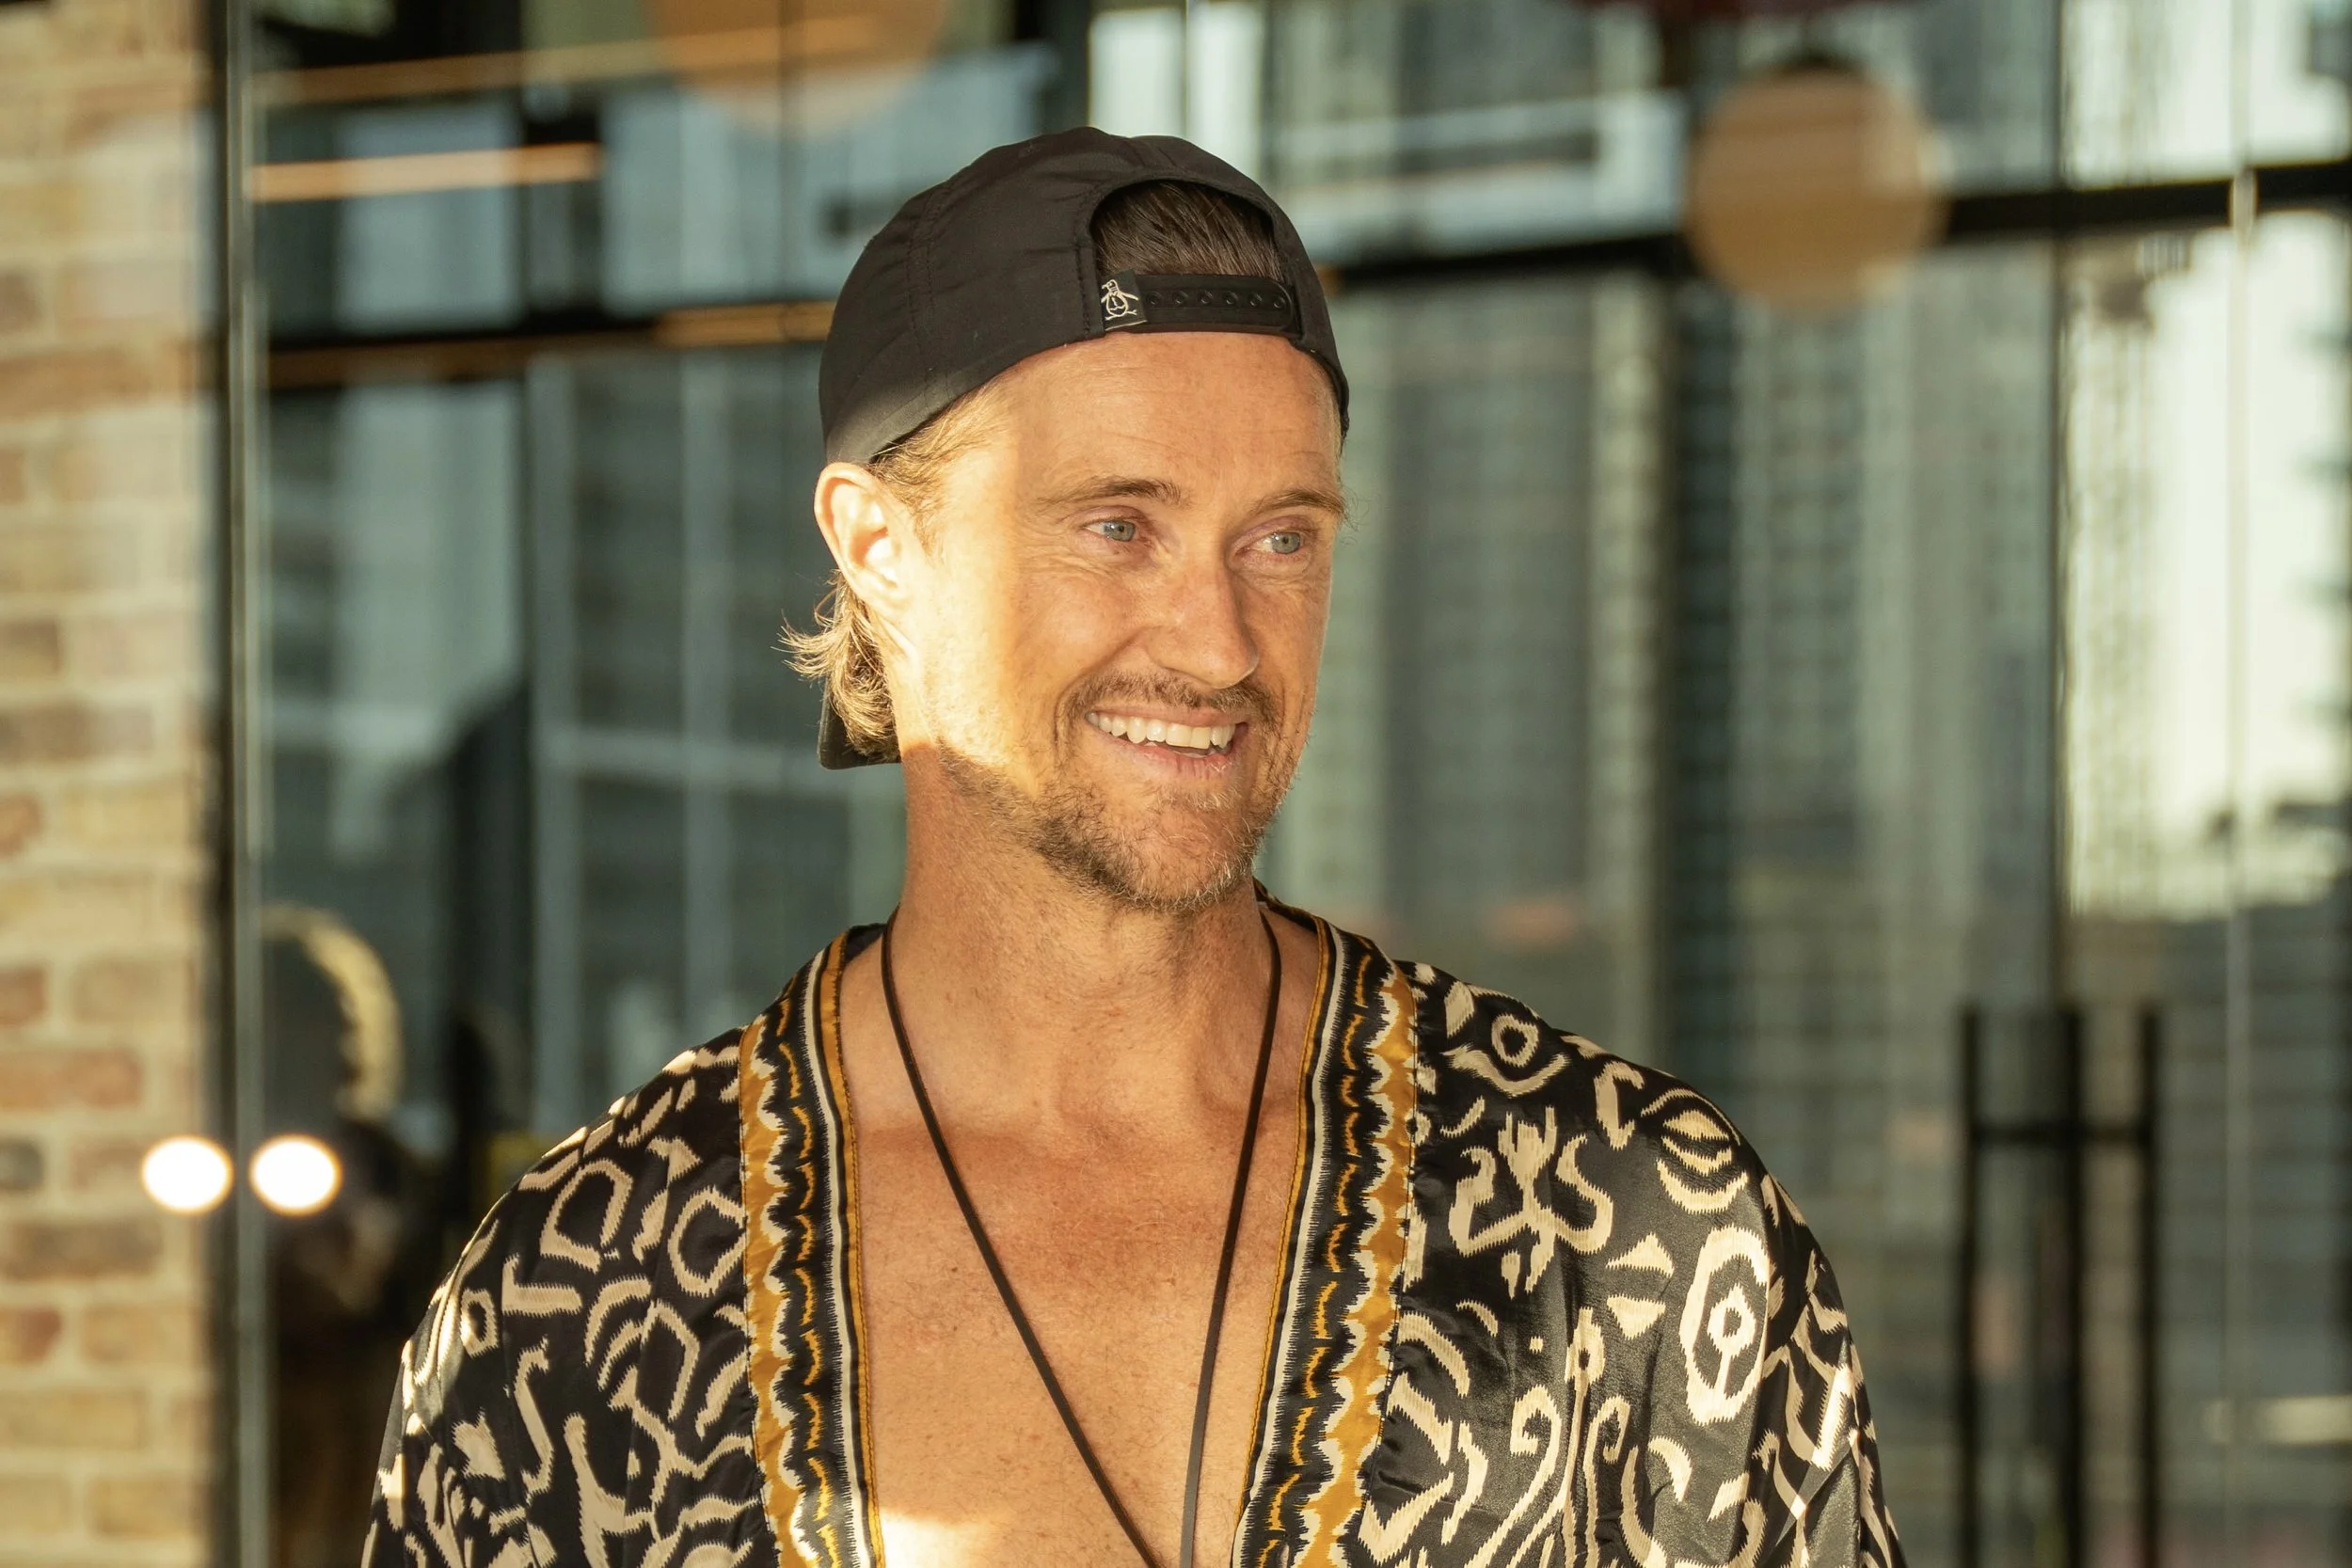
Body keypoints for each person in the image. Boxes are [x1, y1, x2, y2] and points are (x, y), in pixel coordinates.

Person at [363, 130, 1901, 1568]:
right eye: (1118, 525)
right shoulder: (587, 1287)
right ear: (880, 551)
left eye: (1281, 537)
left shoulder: (1627, 1221)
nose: (1221, 642)